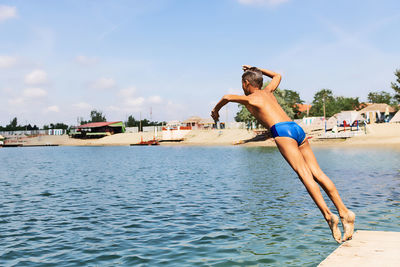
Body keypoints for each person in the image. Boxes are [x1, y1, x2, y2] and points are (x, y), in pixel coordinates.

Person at [211, 65, 355, 243]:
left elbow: (226, 97)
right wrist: (257, 69)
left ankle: (328, 215)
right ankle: (345, 212)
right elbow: (278, 75)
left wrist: (215, 111)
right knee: (317, 173)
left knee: (304, 174)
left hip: (282, 131)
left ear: (246, 83)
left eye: (242, 84)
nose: (242, 87)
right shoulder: (269, 91)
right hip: (296, 128)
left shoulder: (252, 99)